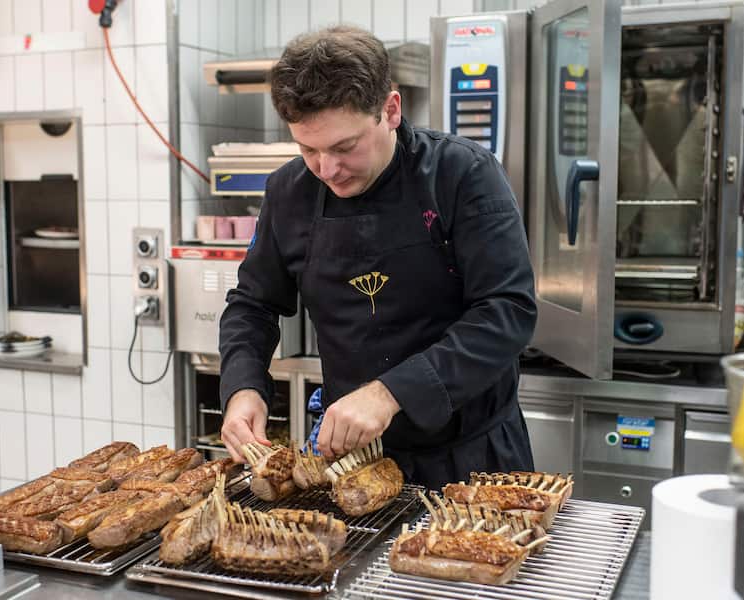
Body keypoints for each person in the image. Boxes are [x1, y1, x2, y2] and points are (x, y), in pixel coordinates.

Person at [218, 25, 537, 490]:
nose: (326, 170)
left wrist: (392, 392)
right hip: (352, 465)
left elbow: (508, 311)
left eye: (344, 147)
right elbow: (253, 304)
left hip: (473, 459)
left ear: (390, 109)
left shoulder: (462, 174)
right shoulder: (288, 192)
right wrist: (243, 386)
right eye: (308, 149)